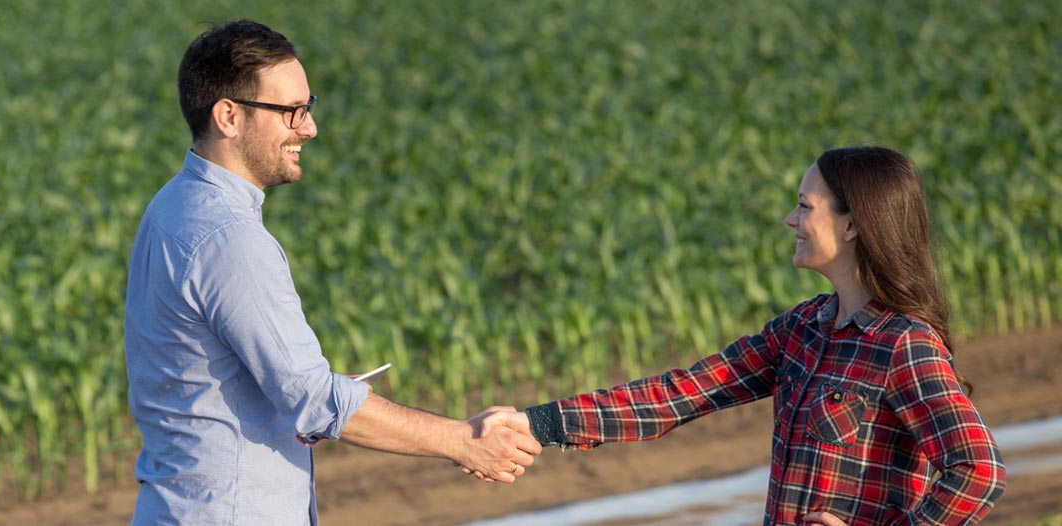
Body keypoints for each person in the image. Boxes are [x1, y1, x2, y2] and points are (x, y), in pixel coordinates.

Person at [123, 19, 540, 526]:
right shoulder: (229, 238)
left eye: (308, 106)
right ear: (228, 116)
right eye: (290, 112)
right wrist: (464, 442)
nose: (309, 128)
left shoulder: (174, 204)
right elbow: (314, 399)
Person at [477, 146, 1006, 525]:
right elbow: (683, 393)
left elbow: (978, 470)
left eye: (805, 206)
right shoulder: (802, 330)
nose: (789, 219)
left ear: (852, 226)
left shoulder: (903, 345)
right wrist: (537, 423)